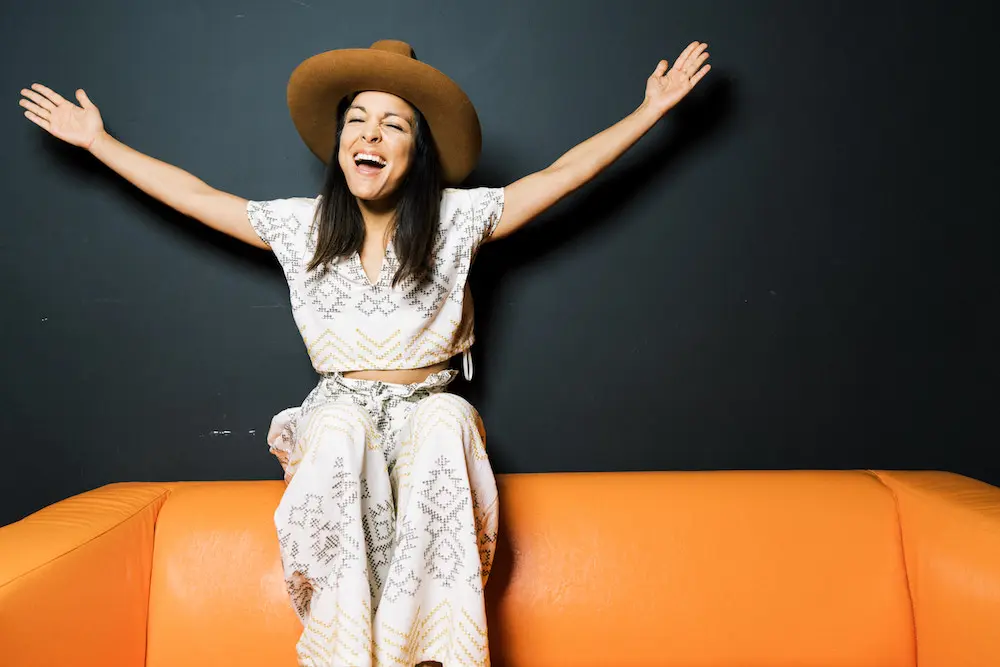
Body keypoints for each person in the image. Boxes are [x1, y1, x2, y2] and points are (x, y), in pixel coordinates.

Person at [19, 38, 710, 667]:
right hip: (340, 415)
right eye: (357, 121)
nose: (370, 134)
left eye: (394, 124)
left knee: (444, 422)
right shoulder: (303, 226)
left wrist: (649, 112)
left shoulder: (455, 218)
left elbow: (562, 175)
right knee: (342, 429)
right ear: (339, 144)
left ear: (416, 151)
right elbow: (197, 196)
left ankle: (438, 659)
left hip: (427, 414)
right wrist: (98, 142)